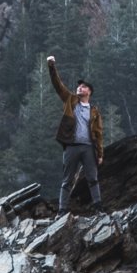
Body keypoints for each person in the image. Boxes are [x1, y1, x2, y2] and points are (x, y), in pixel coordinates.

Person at [46, 54, 103, 211]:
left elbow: (98, 133)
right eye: (79, 86)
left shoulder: (94, 111)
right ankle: (62, 210)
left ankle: (98, 207)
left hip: (89, 148)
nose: (79, 88)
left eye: (83, 86)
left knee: (93, 179)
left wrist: (100, 154)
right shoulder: (70, 100)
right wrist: (51, 66)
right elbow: (57, 84)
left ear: (89, 92)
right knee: (67, 181)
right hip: (71, 146)